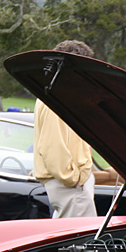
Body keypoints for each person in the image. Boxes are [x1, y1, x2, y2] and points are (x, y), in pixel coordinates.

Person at [32, 40, 102, 219]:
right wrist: (73, 178)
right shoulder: (56, 99)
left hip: (68, 184)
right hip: (69, 185)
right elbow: (52, 147)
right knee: (79, 242)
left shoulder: (57, 95)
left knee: (69, 239)